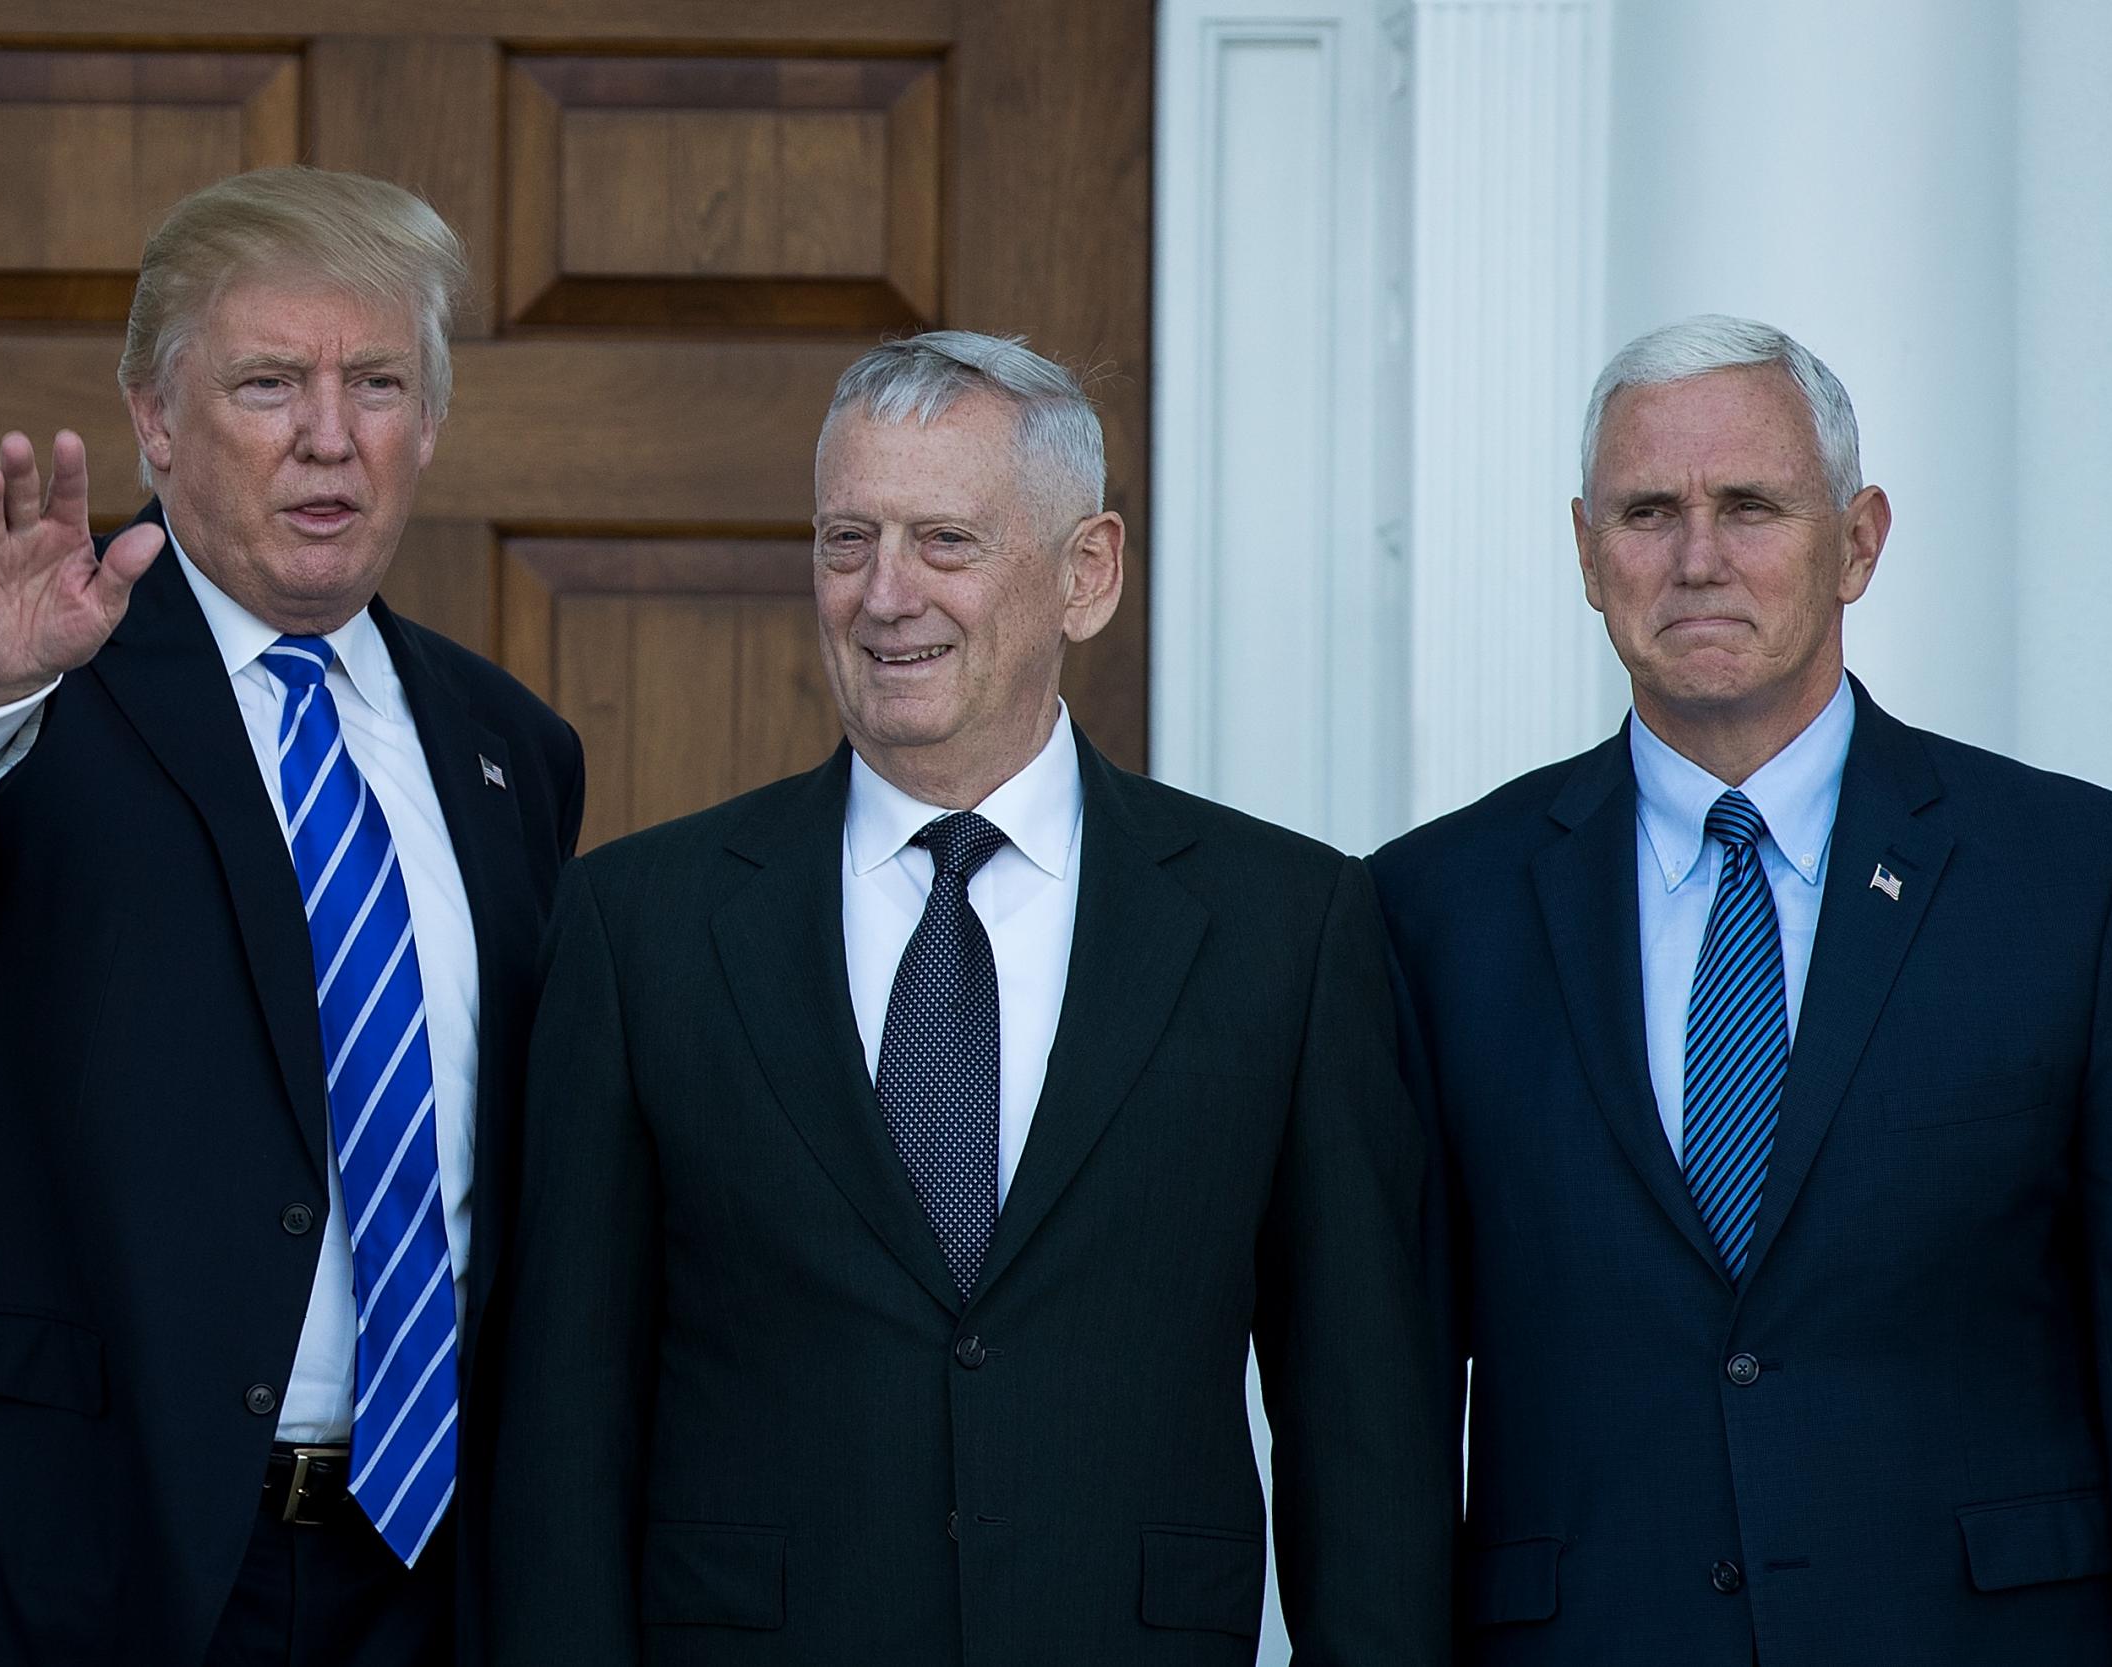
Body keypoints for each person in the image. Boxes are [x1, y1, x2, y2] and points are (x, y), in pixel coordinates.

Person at [483, 330, 1453, 1664]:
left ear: (1085, 575)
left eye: (944, 541)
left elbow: (1362, 1431)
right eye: (844, 541)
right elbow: (562, 1428)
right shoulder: (639, 924)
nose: (884, 595)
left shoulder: (1283, 928)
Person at [0, 166, 582, 1664]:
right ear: (152, 415)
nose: (330, 434)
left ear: (431, 423)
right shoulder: (14, 653)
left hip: (411, 1574)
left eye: (377, 381)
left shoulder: (512, 750)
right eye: (270, 382)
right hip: (44, 1558)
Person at [1370, 314, 2112, 1665]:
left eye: (1750, 506)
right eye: (1646, 511)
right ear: (1583, 551)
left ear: (1857, 540)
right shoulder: (1430, 909)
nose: (1695, 558)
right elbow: (1383, 1406)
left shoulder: (2084, 884)